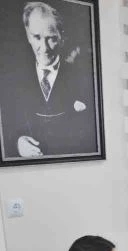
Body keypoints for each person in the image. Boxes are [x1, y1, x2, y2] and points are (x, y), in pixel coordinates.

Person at [0, 2, 98, 159]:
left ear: (61, 37)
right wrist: (17, 143)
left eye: (51, 38)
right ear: (28, 35)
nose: (44, 48)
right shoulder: (12, 80)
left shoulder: (84, 79)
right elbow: (7, 125)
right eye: (36, 37)